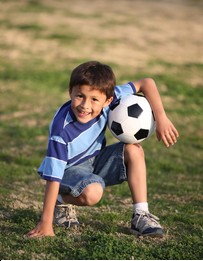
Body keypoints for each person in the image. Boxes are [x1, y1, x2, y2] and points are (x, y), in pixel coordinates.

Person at [27, 61, 179, 238]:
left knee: (134, 150)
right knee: (93, 192)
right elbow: (53, 178)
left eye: (93, 99)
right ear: (70, 92)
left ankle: (141, 215)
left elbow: (147, 83)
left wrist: (161, 117)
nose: (85, 105)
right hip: (67, 172)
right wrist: (45, 223)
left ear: (108, 100)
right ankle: (60, 202)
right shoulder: (61, 132)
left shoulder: (110, 98)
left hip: (94, 159)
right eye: (79, 96)